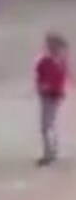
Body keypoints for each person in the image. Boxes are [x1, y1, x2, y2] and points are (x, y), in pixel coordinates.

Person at [35, 33, 68, 166]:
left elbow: (43, 77)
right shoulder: (58, 62)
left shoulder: (48, 62)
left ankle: (49, 153)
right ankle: (52, 151)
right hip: (53, 95)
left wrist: (43, 87)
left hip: (50, 95)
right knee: (50, 124)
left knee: (46, 125)